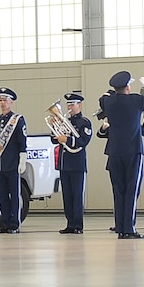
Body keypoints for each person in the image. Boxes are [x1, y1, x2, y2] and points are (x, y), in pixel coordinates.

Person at [99, 71, 144, 239]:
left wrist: (113, 90)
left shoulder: (109, 102)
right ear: (128, 87)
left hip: (115, 151)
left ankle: (120, 227)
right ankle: (129, 229)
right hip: (133, 151)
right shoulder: (136, 100)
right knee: (132, 190)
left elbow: (102, 98)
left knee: (119, 190)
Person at [0, 87, 28, 233]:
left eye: (5, 100)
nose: (2, 103)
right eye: (1, 100)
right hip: (0, 166)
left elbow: (22, 142)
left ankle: (15, 224)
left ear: (11, 102)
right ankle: (5, 223)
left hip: (13, 164)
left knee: (14, 196)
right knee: (2, 196)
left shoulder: (18, 120)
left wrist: (22, 160)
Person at [55, 93, 93, 234]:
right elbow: (54, 139)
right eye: (68, 105)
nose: (70, 107)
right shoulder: (63, 121)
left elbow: (84, 141)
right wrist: (56, 130)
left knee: (77, 195)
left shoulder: (84, 122)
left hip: (77, 163)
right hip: (64, 163)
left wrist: (67, 139)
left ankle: (78, 225)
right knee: (67, 195)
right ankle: (70, 223)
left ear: (79, 105)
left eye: (73, 104)